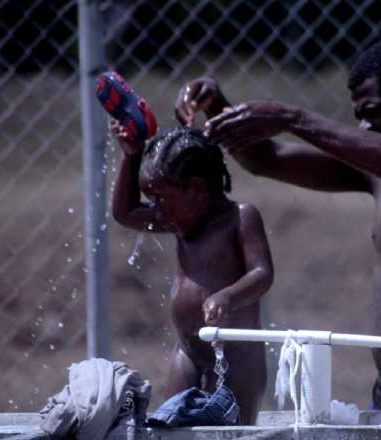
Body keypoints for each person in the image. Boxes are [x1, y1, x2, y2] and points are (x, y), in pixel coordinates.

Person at [175, 38, 381, 409]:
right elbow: (267, 159)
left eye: (373, 111)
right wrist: (218, 105)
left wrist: (292, 118)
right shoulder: (378, 176)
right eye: (358, 116)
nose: (364, 126)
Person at [110, 122, 274, 423]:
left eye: (160, 198)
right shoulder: (179, 220)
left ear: (197, 190)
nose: (155, 209)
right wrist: (131, 156)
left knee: (232, 433)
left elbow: (262, 273)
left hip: (238, 359)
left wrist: (228, 297)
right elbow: (125, 212)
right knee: (167, 426)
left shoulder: (240, 219)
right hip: (187, 353)